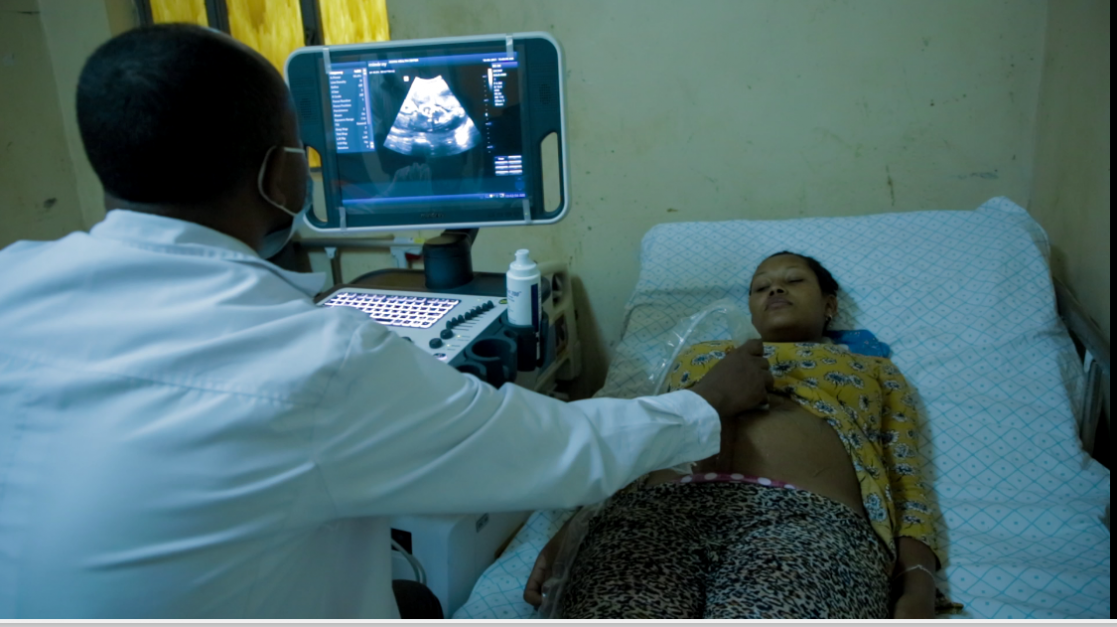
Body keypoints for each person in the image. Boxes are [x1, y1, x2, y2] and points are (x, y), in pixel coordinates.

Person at [0, 25, 773, 618]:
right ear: (280, 175)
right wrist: (703, 404)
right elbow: (561, 448)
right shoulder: (314, 363)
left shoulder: (12, 286)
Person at [524, 252, 943, 619]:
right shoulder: (699, 356)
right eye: (761, 287)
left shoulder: (873, 371)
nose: (775, 289)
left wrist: (919, 583)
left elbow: (907, 477)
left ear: (830, 305)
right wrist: (573, 533)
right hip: (653, 514)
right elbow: (644, 439)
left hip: (805, 524)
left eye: (794, 280)